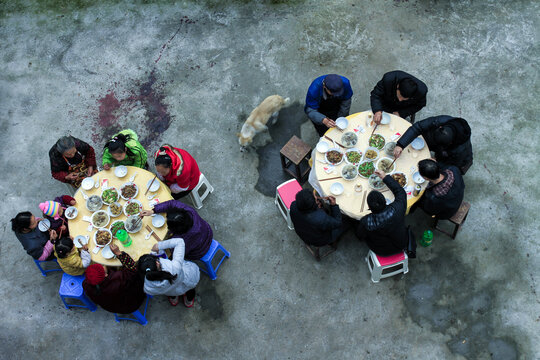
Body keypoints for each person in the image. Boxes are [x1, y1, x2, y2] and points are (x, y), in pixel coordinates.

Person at [393, 115, 473, 174]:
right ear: (440, 127)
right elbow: (418, 127)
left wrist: (437, 162)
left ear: (451, 142)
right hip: (440, 145)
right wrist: (401, 144)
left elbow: (454, 167)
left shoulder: (460, 150)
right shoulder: (441, 121)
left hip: (454, 160)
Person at [355, 170, 408, 256]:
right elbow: (400, 192)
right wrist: (385, 177)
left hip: (382, 251)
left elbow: (360, 236)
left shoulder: (366, 222)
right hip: (402, 243)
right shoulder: (398, 209)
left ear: (369, 208)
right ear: (385, 201)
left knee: (355, 224)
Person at [82, 244, 146, 314]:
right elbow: (133, 269)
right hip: (130, 305)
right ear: (106, 275)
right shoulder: (117, 281)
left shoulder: (85, 285)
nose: (103, 265)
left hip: (111, 307)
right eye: (102, 266)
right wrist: (119, 253)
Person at [138, 238, 200, 307]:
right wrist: (159, 245)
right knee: (190, 290)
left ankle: (174, 300)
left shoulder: (147, 287)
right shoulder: (174, 267)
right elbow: (180, 242)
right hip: (186, 282)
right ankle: (189, 302)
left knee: (171, 294)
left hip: (171, 291)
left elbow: (147, 290)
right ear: (157, 263)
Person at [141, 200, 212, 260]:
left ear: (176, 229)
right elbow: (172, 204)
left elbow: (176, 252)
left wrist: (167, 243)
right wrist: (153, 211)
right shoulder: (188, 211)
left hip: (199, 251)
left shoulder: (184, 239)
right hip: (208, 230)